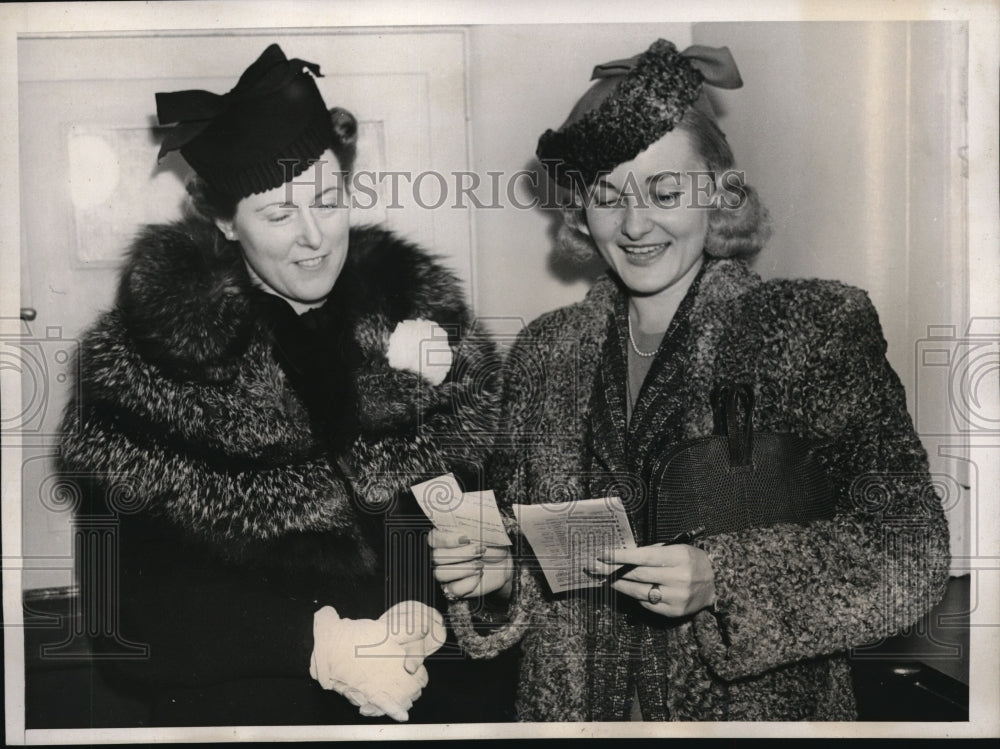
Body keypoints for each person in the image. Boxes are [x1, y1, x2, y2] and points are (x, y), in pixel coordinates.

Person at [430, 39, 951, 721]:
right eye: (608, 196)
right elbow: (526, 552)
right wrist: (496, 577)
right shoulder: (543, 353)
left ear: (719, 191)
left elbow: (911, 548)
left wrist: (724, 579)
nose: (636, 223)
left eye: (665, 191)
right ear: (580, 211)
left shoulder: (809, 328)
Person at [58, 43, 505, 726]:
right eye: (276, 214)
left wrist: (488, 579)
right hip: (250, 718)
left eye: (328, 201)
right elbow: (128, 613)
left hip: (430, 710)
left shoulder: (423, 324)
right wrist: (319, 640)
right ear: (223, 220)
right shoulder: (143, 371)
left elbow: (472, 535)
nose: (314, 237)